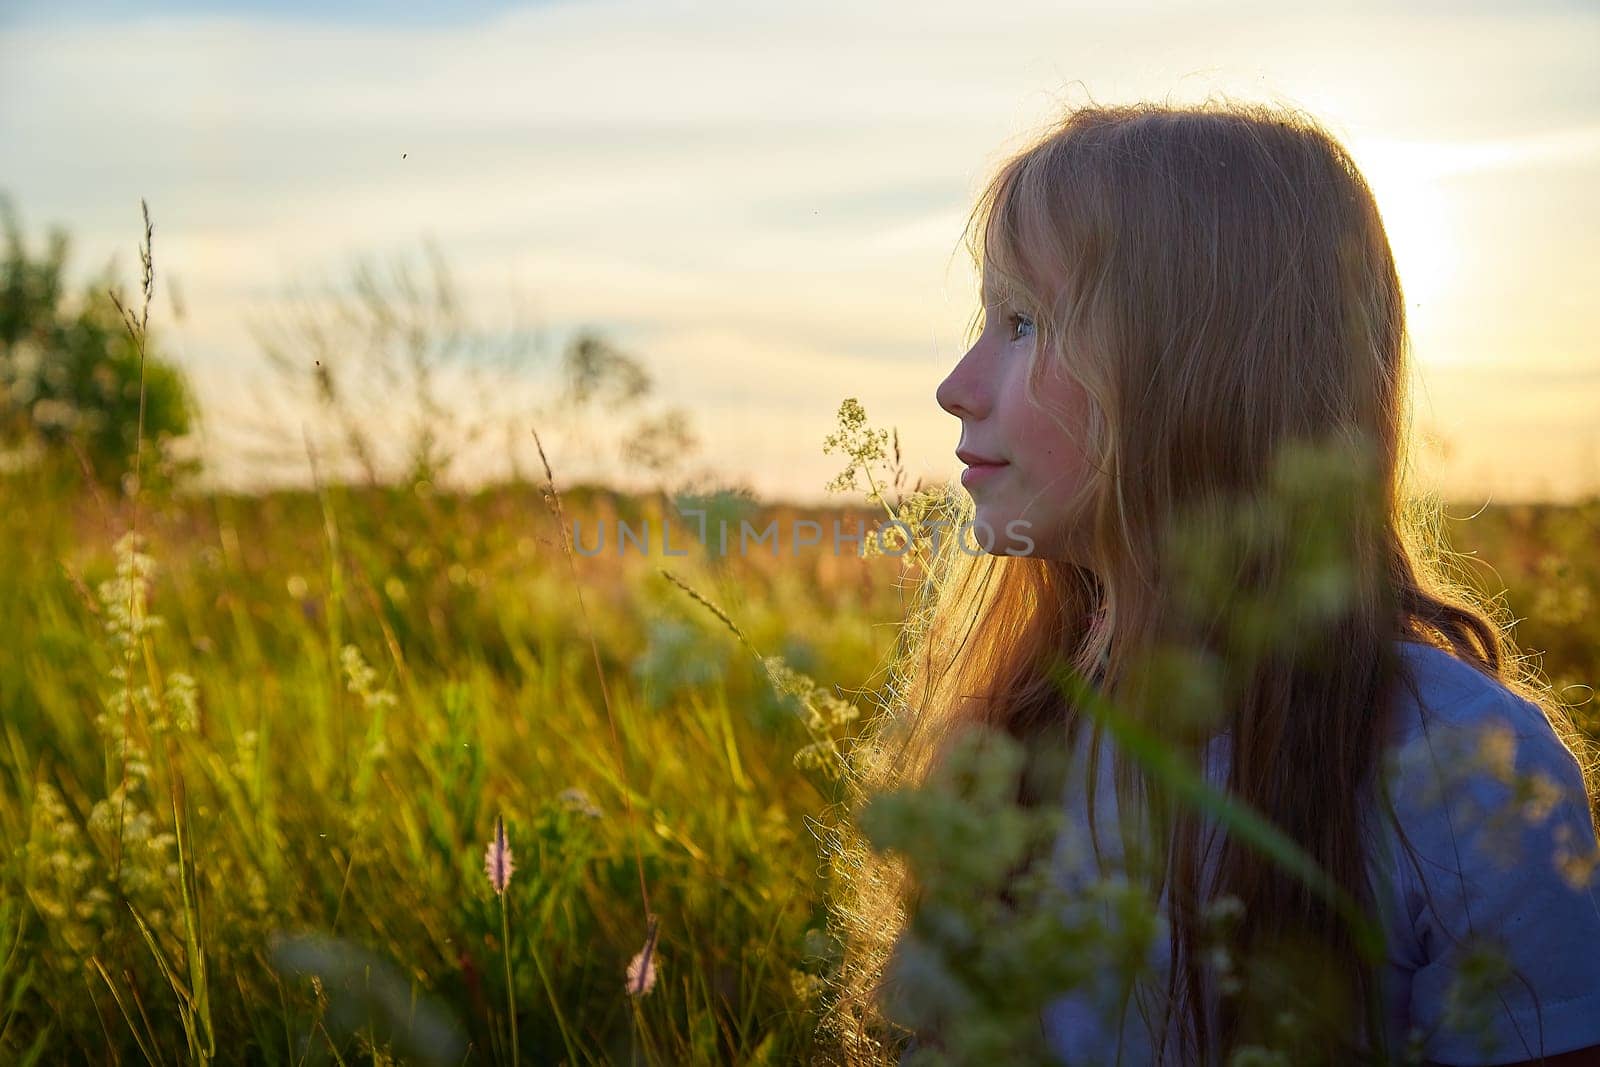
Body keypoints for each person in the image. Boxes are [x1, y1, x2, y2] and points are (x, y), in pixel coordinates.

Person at [819, 98, 1600, 1066]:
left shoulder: (1457, 765)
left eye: (1021, 322)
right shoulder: (1024, 726)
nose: (956, 384)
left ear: (1201, 369)